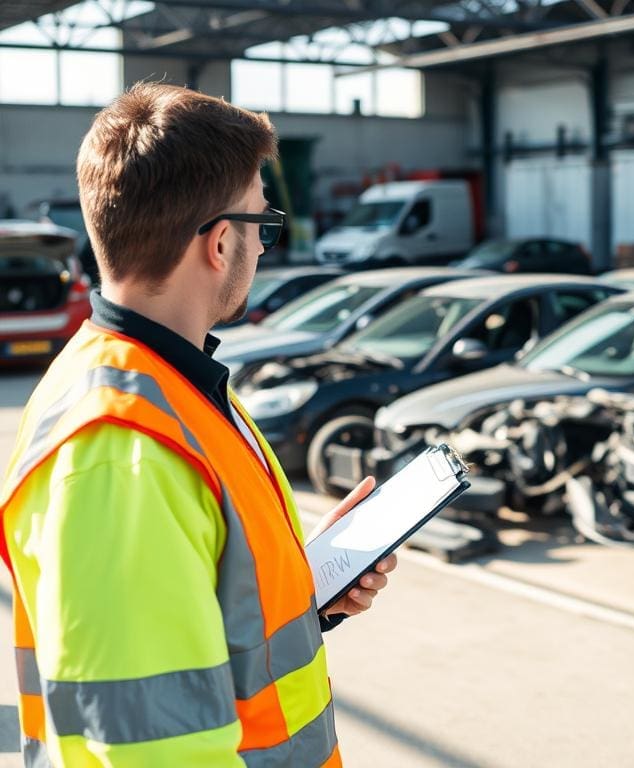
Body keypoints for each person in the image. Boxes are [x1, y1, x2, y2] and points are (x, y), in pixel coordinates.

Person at [0, 82, 397, 767]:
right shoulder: (118, 449)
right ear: (219, 243)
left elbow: (203, 626)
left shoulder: (170, 385)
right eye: (260, 224)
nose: (264, 248)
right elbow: (151, 751)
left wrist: (305, 586)